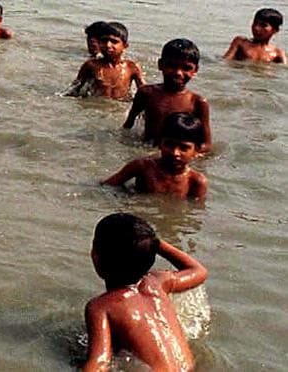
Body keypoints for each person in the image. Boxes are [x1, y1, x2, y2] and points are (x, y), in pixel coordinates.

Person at [83, 213, 207, 371]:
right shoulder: (159, 282)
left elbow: (99, 363)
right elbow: (198, 271)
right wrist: (155, 243)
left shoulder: (101, 307)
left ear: (95, 256)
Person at [123, 39, 211, 152]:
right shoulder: (146, 93)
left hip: (176, 155)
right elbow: (128, 126)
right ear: (160, 65)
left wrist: (188, 155)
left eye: (186, 68)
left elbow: (206, 144)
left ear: (195, 70)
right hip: (148, 150)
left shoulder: (197, 102)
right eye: (172, 65)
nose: (178, 73)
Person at [102, 113, 208, 200]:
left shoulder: (196, 181)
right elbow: (107, 185)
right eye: (169, 144)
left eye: (184, 148)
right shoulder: (142, 166)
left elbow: (194, 213)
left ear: (197, 151)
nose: (175, 153)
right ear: (159, 143)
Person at [67, 21, 143, 100]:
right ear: (99, 43)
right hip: (95, 107)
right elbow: (74, 90)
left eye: (114, 42)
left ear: (125, 46)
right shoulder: (91, 65)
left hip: (120, 108)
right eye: (104, 40)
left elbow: (144, 92)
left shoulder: (132, 67)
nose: (108, 45)